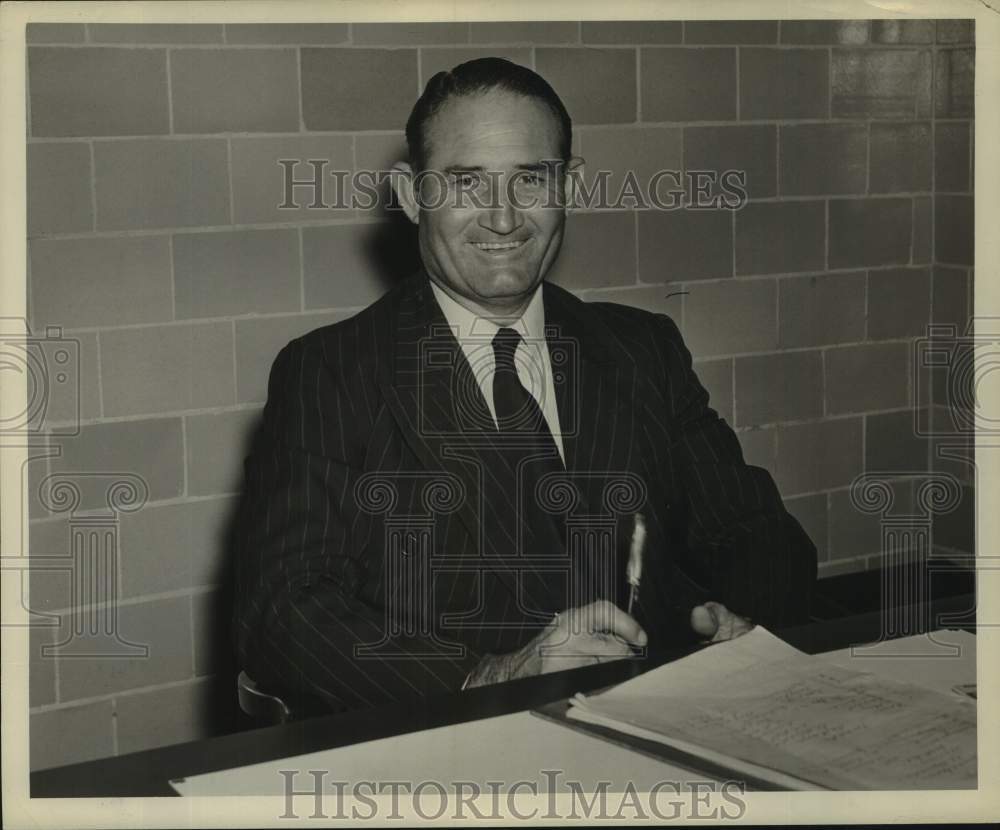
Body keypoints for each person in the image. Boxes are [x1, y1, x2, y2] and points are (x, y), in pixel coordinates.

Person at [233, 58, 816, 713]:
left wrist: (737, 621)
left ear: (570, 186)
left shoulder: (640, 348)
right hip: (455, 761)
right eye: (466, 183)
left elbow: (758, 534)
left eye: (529, 180)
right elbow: (281, 611)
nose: (504, 220)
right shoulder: (330, 373)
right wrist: (490, 676)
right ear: (408, 195)